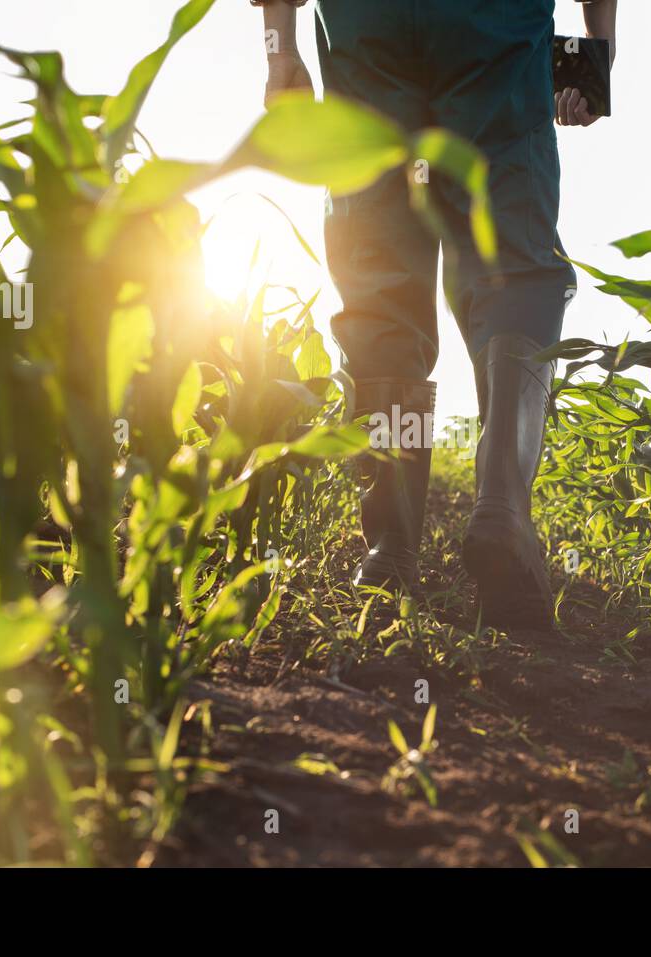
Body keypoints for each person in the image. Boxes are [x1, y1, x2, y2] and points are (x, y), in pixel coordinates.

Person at [253, 0, 618, 628]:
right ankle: (502, 512)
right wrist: (598, 45)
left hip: (366, 26)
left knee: (379, 271)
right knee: (514, 259)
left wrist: (278, 46)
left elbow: (281, 41)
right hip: (492, 26)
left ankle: (390, 548)